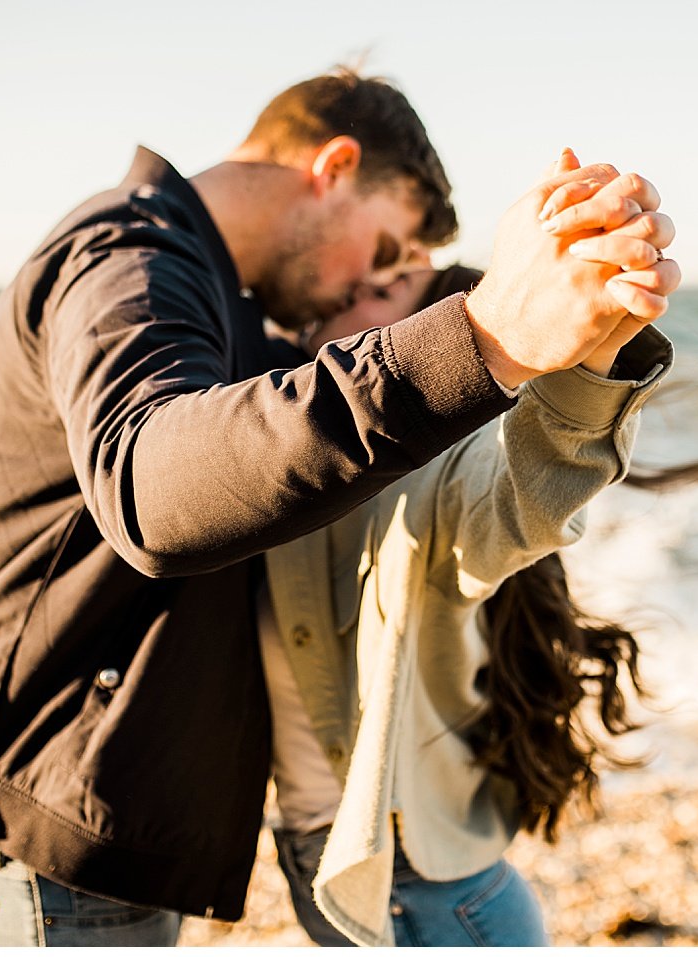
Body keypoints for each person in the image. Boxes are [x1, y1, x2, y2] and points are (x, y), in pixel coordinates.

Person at [0, 67, 677, 947]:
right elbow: (151, 484)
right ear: (334, 168)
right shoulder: (132, 255)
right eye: (386, 252)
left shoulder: (227, 310)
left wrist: (583, 350)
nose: (360, 297)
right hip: (29, 840)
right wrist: (487, 335)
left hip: (77, 835)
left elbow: (495, 499)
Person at [260, 260, 670, 946]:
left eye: (381, 290)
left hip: (425, 888)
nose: (350, 286)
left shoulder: (433, 471)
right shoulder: (276, 425)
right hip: (337, 859)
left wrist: (595, 353)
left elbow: (528, 499)